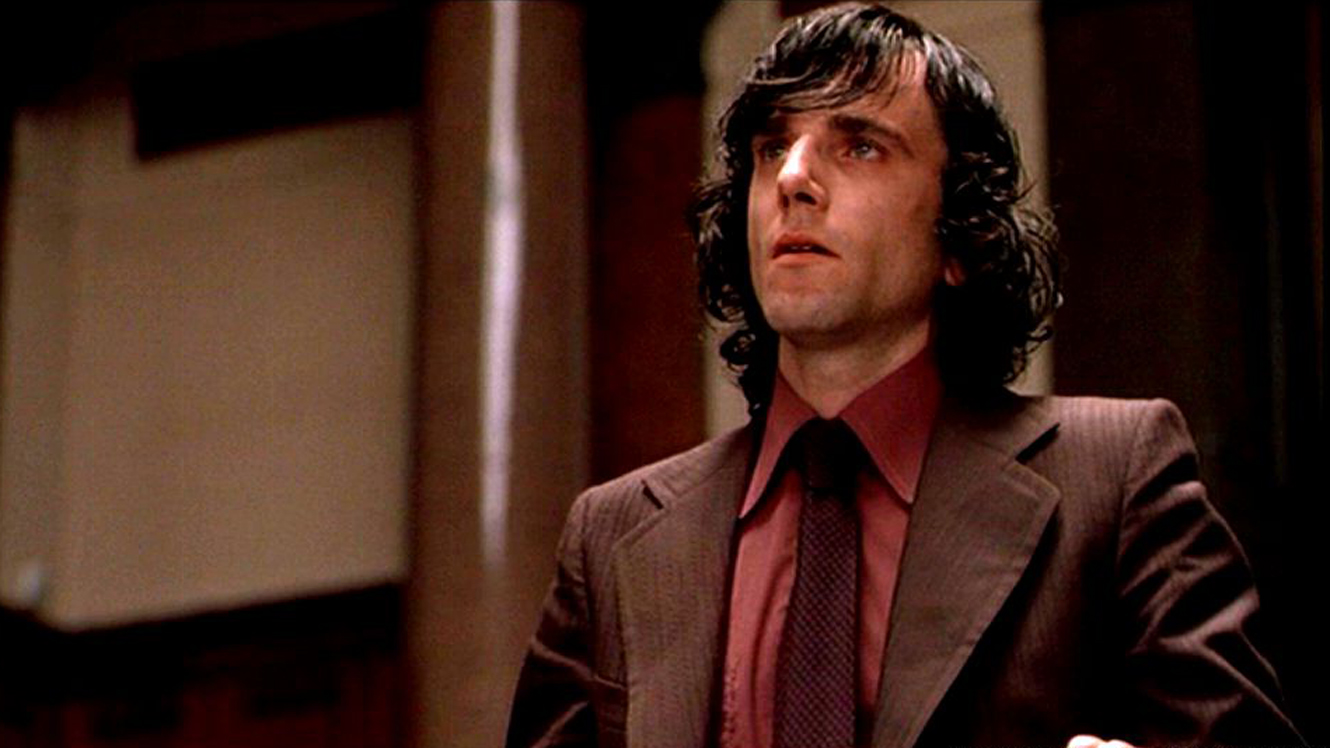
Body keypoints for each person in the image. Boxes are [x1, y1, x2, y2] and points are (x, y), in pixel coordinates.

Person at [506, 4, 1302, 748]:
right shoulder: (611, 534)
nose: (793, 178)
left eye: (859, 145)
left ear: (958, 237)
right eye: (772, 148)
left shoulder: (1117, 476)